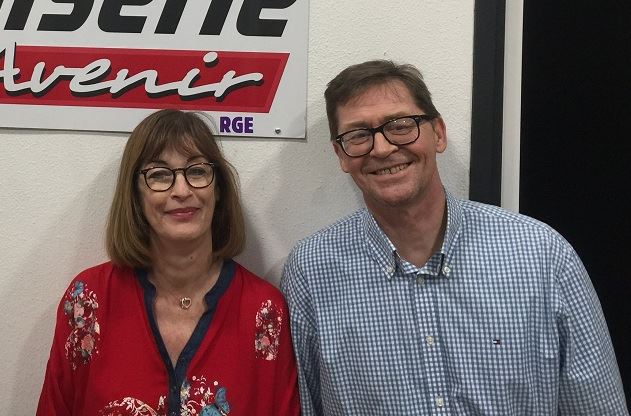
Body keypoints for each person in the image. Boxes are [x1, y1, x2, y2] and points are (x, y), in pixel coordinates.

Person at [281, 60, 628, 415]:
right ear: (341, 155)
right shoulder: (312, 271)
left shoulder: (542, 255)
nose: (381, 149)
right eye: (358, 135)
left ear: (439, 133)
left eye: (401, 125)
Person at [37, 109, 300, 415]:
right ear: (135, 196)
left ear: (218, 189)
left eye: (197, 171)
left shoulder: (264, 312)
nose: (182, 190)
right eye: (159, 175)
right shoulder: (87, 302)